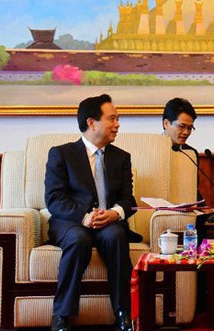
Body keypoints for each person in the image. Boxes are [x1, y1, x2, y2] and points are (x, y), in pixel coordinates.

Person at [45, 94, 141, 331]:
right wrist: (83, 216)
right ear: (91, 122)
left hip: (109, 222)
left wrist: (115, 214)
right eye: (112, 119)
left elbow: (128, 200)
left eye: (118, 119)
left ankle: (123, 313)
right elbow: (54, 199)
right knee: (79, 239)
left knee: (116, 236)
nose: (118, 125)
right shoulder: (62, 154)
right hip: (71, 222)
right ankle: (61, 316)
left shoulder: (121, 158)